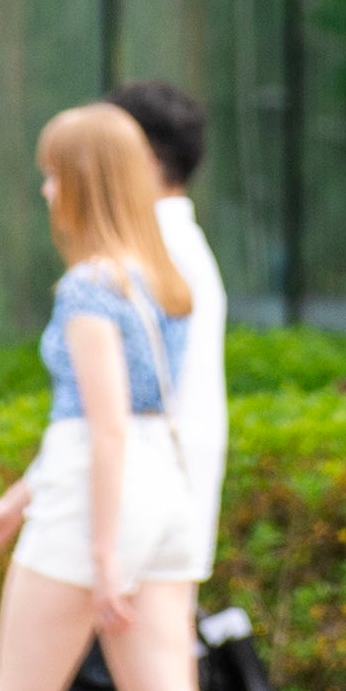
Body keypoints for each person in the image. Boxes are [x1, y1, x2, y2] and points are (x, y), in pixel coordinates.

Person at [0, 99, 214, 691]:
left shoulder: (88, 289)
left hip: (95, 503)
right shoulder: (167, 280)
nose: (45, 189)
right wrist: (16, 503)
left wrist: (102, 555)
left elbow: (104, 426)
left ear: (81, 184)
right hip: (167, 493)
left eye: (52, 174)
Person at [110, 75, 240, 574]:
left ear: (145, 157)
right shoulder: (180, 244)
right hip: (167, 500)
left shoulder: (152, 253)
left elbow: (130, 401)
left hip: (141, 508)